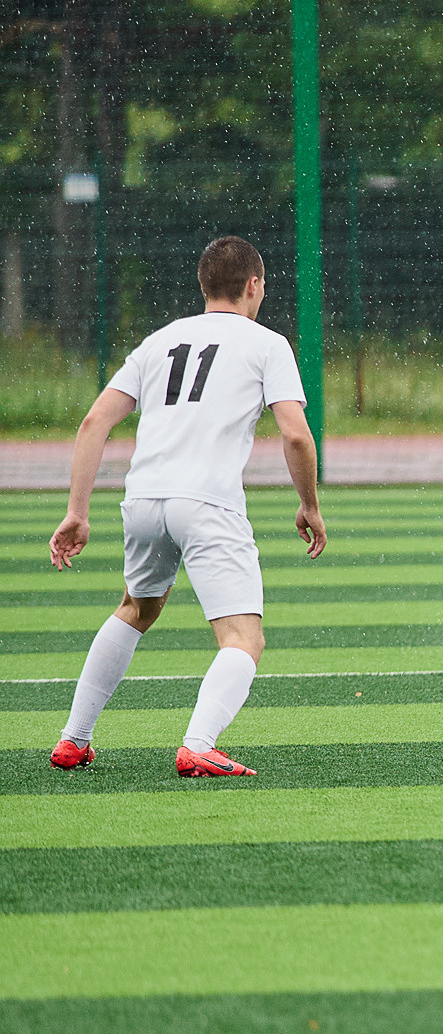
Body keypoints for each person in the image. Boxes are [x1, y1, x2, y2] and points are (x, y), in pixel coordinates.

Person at [46, 235, 326, 776]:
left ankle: (73, 740)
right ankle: (198, 744)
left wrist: (77, 512)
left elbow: (94, 423)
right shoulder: (267, 343)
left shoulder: (160, 341)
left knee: (136, 608)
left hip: (144, 497)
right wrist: (309, 503)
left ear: (203, 286)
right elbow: (295, 434)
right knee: (243, 638)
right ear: (254, 285)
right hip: (208, 501)